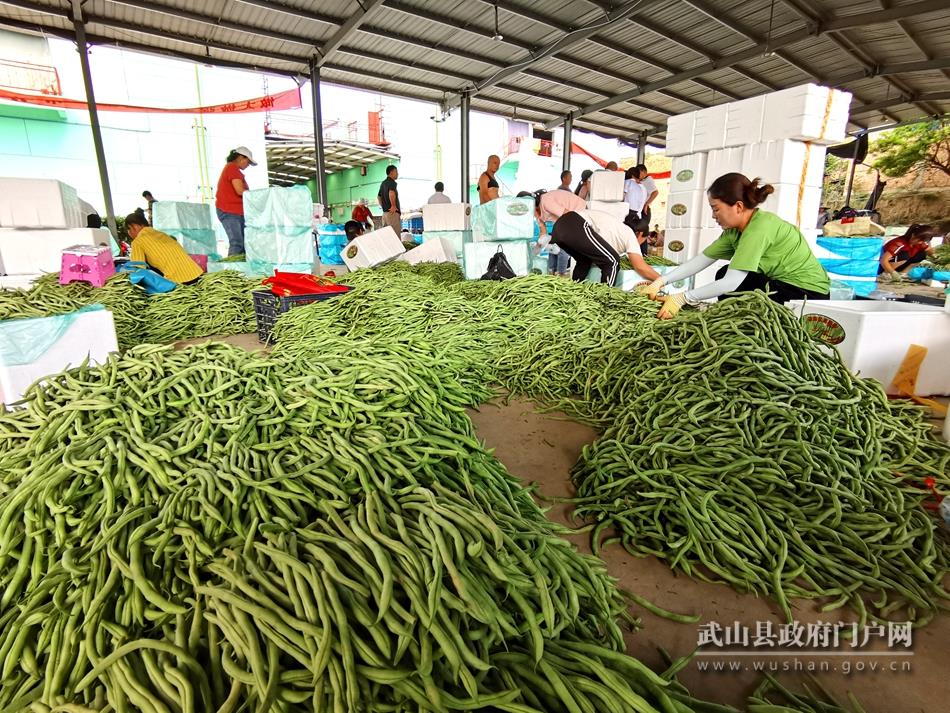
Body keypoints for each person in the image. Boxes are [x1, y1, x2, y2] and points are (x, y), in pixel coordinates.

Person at [639, 173, 830, 319]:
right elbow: (701, 260)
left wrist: (683, 298)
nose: (714, 215)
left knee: (731, 283)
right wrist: (661, 281)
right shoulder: (733, 231)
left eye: (716, 209)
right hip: (779, 284)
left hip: (806, 293)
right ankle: (735, 323)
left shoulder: (759, 229)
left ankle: (748, 330)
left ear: (738, 206)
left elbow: (732, 282)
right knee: (723, 274)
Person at [537, 204, 660, 286]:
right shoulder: (630, 234)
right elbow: (640, 266)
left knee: (584, 261)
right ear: (639, 234)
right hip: (574, 223)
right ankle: (604, 300)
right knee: (612, 261)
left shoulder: (617, 230)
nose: (640, 244)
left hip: (561, 227)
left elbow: (598, 254)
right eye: (643, 240)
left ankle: (575, 292)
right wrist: (662, 279)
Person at [125, 212, 203, 285]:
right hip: (197, 273)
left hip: (179, 280)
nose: (129, 233)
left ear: (134, 226)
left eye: (129, 229)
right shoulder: (162, 234)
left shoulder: (138, 241)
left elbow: (138, 269)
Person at [215, 146, 255, 256]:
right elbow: (239, 190)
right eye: (248, 162)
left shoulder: (234, 170)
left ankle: (241, 269)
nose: (248, 165)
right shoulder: (232, 168)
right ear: (241, 157)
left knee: (243, 244)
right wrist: (257, 197)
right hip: (229, 210)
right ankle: (234, 270)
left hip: (236, 211)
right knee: (237, 243)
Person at [622, 167, 649, 251]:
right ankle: (640, 253)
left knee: (626, 237)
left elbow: (622, 196)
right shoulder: (642, 187)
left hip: (627, 213)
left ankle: (628, 252)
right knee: (641, 234)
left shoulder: (627, 182)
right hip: (638, 215)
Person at [377, 165, 401, 234]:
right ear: (391, 172)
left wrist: (384, 207)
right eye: (396, 172)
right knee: (395, 236)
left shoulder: (383, 183)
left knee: (387, 236)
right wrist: (393, 206)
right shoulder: (391, 182)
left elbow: (379, 197)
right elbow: (391, 193)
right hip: (392, 214)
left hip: (385, 214)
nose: (397, 174)